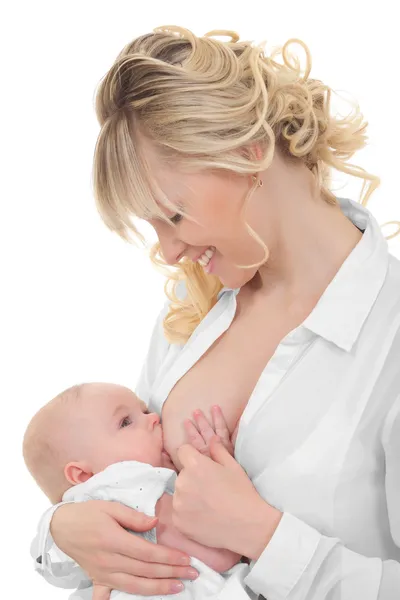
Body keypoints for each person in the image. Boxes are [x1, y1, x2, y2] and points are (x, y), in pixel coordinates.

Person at [30, 24, 400, 600]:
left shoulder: (390, 339)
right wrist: (62, 532)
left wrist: (264, 536)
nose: (169, 251)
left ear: (249, 153)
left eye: (173, 216)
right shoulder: (190, 317)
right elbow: (124, 489)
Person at [23, 382, 245, 599]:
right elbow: (221, 555)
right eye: (126, 422)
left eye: (145, 411)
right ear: (83, 475)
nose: (154, 417)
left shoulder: (84, 516)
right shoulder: (131, 487)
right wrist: (215, 469)